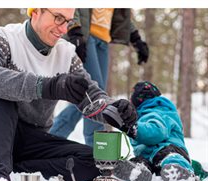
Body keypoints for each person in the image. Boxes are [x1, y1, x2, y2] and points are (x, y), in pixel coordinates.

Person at [0, 8, 137, 181]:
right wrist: (45, 86)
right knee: (1, 95)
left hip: (29, 141)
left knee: (93, 162)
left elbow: (90, 95)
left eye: (68, 22)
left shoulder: (66, 54)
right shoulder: (4, 37)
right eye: (58, 18)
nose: (63, 29)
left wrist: (113, 108)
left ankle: (11, 170)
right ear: (35, 11)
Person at [50, 8, 149, 146]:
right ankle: (94, 147)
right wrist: (74, 28)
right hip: (85, 34)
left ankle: (53, 136)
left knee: (92, 95)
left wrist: (136, 38)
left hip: (104, 40)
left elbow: (119, 13)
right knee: (94, 95)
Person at [113, 81, 204, 181]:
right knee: (141, 161)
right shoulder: (142, 114)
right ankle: (138, 171)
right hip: (149, 155)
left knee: (170, 157)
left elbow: (157, 132)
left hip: (168, 148)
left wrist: (133, 128)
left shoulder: (157, 112)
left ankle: (183, 174)